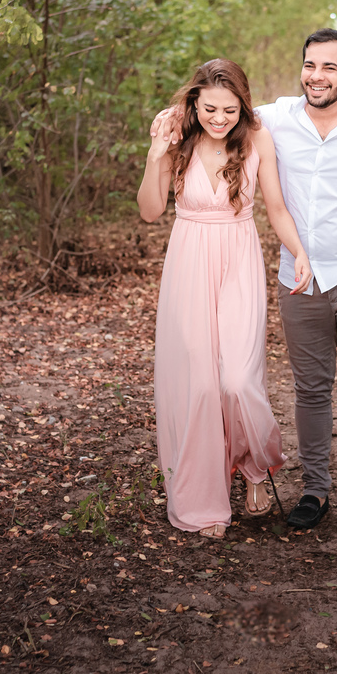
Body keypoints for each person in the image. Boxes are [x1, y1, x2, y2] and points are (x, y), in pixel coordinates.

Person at [152, 29, 337, 531]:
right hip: (299, 279)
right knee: (310, 387)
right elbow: (220, 107)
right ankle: (315, 490)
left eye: (329, 68)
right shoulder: (274, 118)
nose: (317, 76)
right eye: (310, 65)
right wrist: (174, 117)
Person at [137, 58, 313, 539]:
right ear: (195, 101)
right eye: (210, 108)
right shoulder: (177, 137)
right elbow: (152, 212)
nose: (220, 119)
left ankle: (255, 467)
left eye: (230, 110)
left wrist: (299, 252)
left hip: (238, 260)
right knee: (198, 386)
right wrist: (155, 154)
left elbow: (275, 206)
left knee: (238, 380)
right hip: (188, 262)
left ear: (243, 105)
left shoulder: (257, 139)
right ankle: (202, 502)